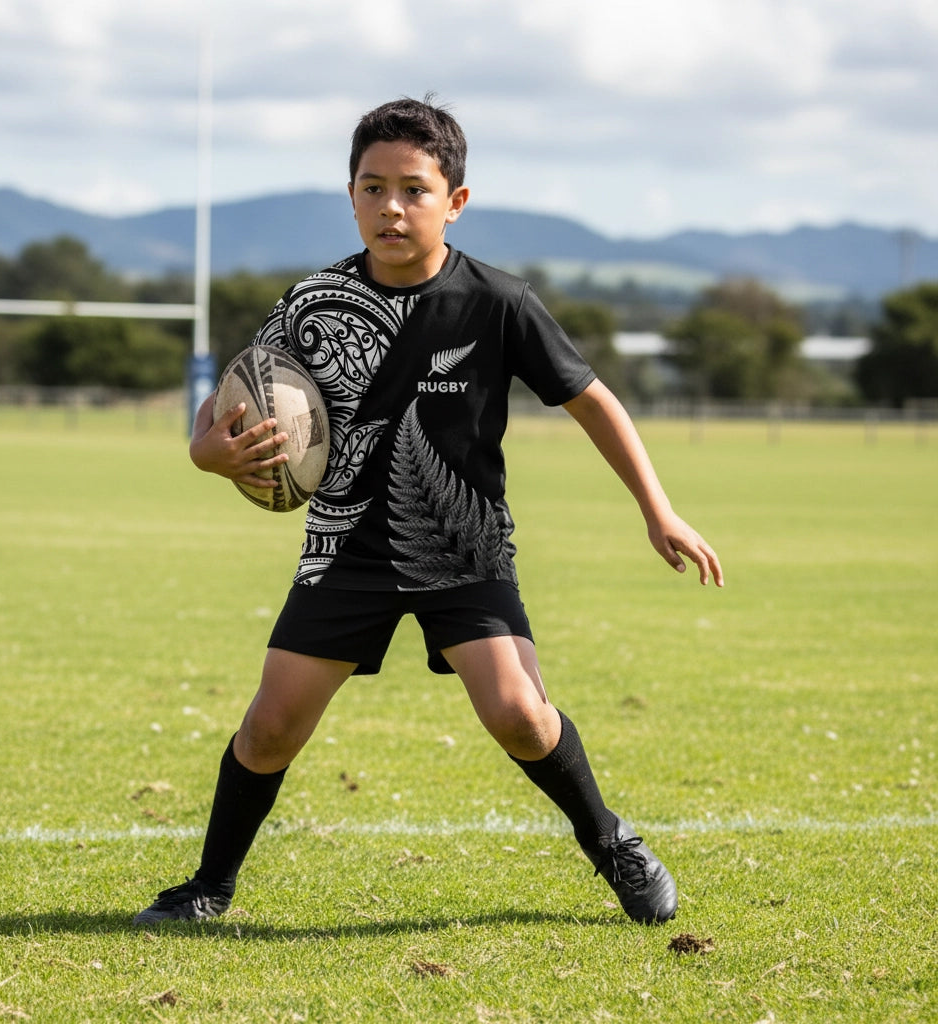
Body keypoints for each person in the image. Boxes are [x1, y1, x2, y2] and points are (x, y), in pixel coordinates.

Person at [133, 96, 723, 928]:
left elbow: (594, 402)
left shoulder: (498, 301)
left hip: (462, 547)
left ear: (456, 201)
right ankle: (209, 886)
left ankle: (612, 843)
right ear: (350, 195)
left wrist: (657, 510)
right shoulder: (313, 303)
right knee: (269, 729)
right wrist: (212, 455)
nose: (391, 208)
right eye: (372, 188)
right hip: (346, 549)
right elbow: (218, 415)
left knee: (520, 714)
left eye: (414, 189)